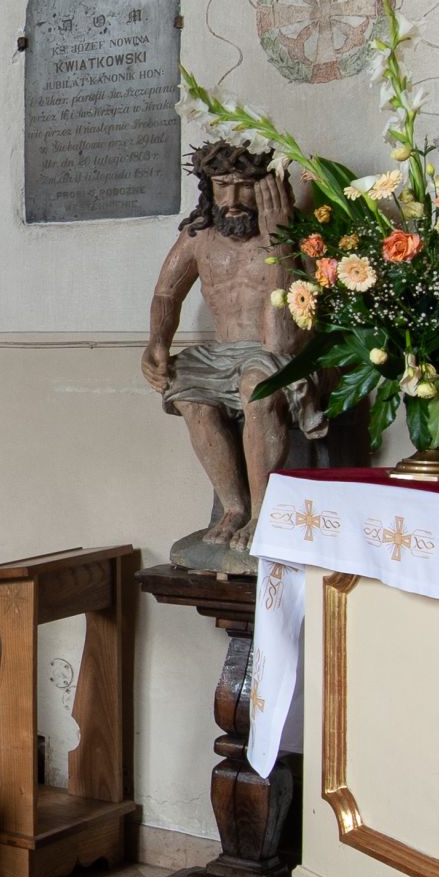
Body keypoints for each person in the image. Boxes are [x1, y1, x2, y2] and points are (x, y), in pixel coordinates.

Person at [142, 137, 302, 565]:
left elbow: (282, 341)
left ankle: (265, 513)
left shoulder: (294, 234)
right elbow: (166, 294)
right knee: (186, 388)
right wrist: (157, 342)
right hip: (223, 355)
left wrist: (280, 238)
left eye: (244, 187)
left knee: (258, 385)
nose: (231, 201)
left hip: (280, 355)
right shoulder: (199, 237)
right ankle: (235, 508)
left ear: (268, 186)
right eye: (221, 187)